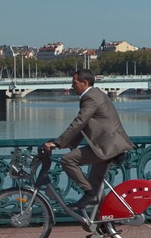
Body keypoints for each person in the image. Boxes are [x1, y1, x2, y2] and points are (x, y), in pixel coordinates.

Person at [44, 69, 135, 209]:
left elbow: (79, 121)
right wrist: (65, 143)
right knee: (95, 185)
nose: (71, 86)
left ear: (84, 83)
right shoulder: (96, 94)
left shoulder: (90, 97)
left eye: (74, 82)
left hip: (106, 147)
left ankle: (89, 194)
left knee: (67, 160)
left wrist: (58, 142)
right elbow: (84, 125)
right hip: (109, 145)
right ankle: (105, 224)